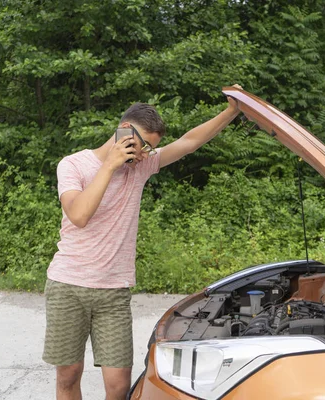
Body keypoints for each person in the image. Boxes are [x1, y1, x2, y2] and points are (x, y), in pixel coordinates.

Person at [42, 85, 241, 400]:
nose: (147, 153)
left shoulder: (141, 166)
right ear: (124, 130)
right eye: (144, 144)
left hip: (113, 293)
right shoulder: (73, 165)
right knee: (68, 377)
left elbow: (189, 142)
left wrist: (232, 111)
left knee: (119, 386)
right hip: (68, 286)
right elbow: (79, 215)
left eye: (151, 148)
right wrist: (110, 166)